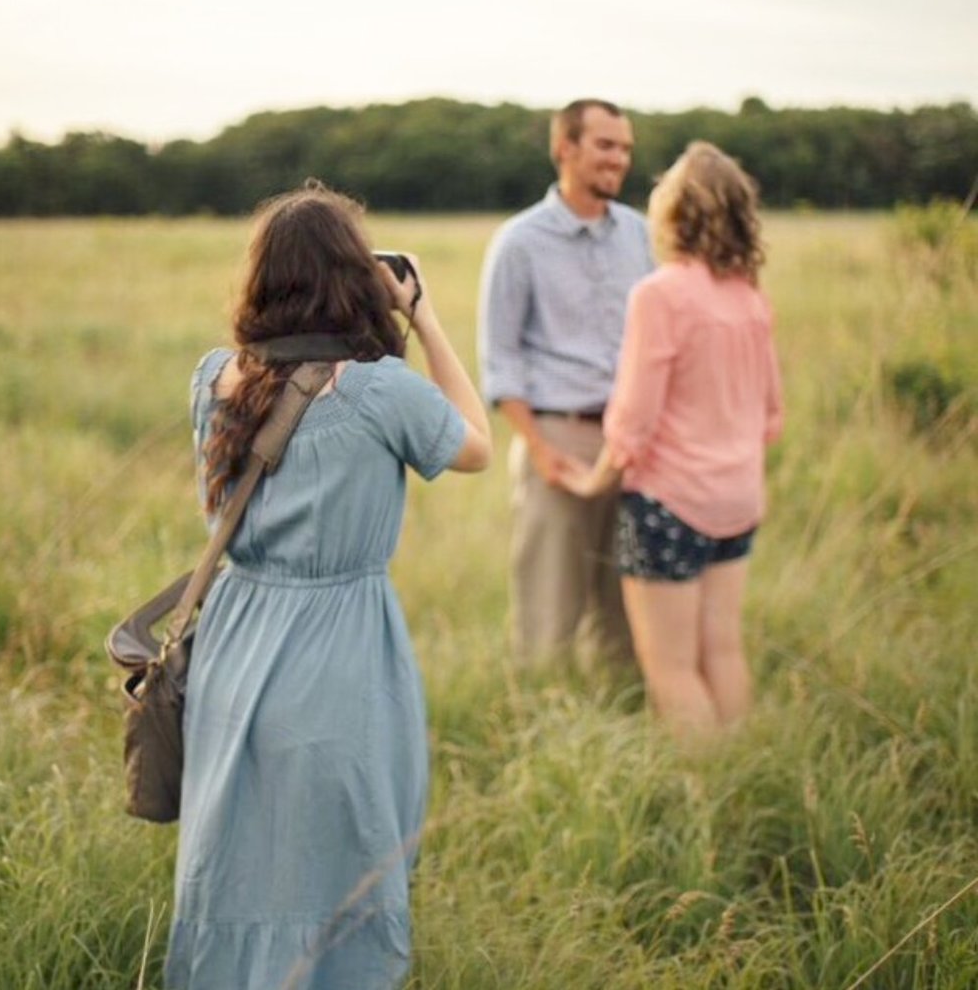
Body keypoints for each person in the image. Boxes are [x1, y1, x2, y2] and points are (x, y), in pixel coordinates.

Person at [164, 183, 492, 990]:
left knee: (236, 856)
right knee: (343, 860)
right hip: (339, 651)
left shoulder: (214, 380)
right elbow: (478, 444)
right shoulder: (380, 391)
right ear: (354, 276)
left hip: (235, 648)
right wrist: (423, 319)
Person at [559, 141, 783, 736]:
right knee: (724, 651)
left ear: (673, 215)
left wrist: (592, 480)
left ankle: (710, 803)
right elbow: (772, 416)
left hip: (670, 506)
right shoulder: (750, 298)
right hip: (739, 502)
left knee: (671, 669)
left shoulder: (659, 295)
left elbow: (632, 421)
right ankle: (743, 778)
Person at [477, 98, 655, 669]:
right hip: (559, 439)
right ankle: (540, 720)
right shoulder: (519, 241)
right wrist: (541, 450)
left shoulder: (641, 234)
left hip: (635, 441)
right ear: (565, 148)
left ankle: (624, 717)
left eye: (625, 148)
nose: (619, 159)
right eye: (606, 145)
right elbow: (501, 360)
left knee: (628, 606)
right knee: (548, 610)